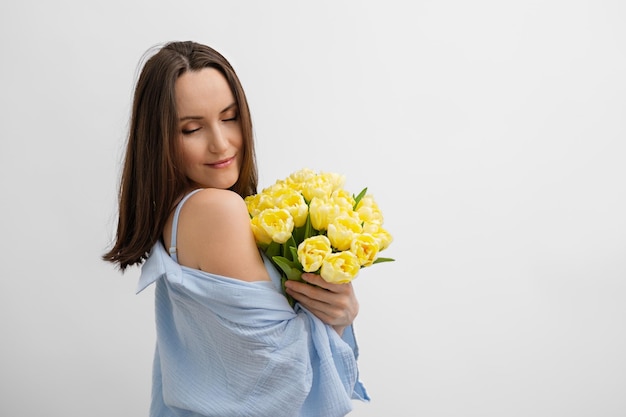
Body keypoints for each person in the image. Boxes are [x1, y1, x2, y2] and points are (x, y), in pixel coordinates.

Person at [102, 40, 369, 417]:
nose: (221, 143)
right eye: (192, 128)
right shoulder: (216, 209)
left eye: (229, 118)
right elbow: (287, 380)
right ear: (159, 141)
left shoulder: (178, 215)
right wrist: (339, 320)